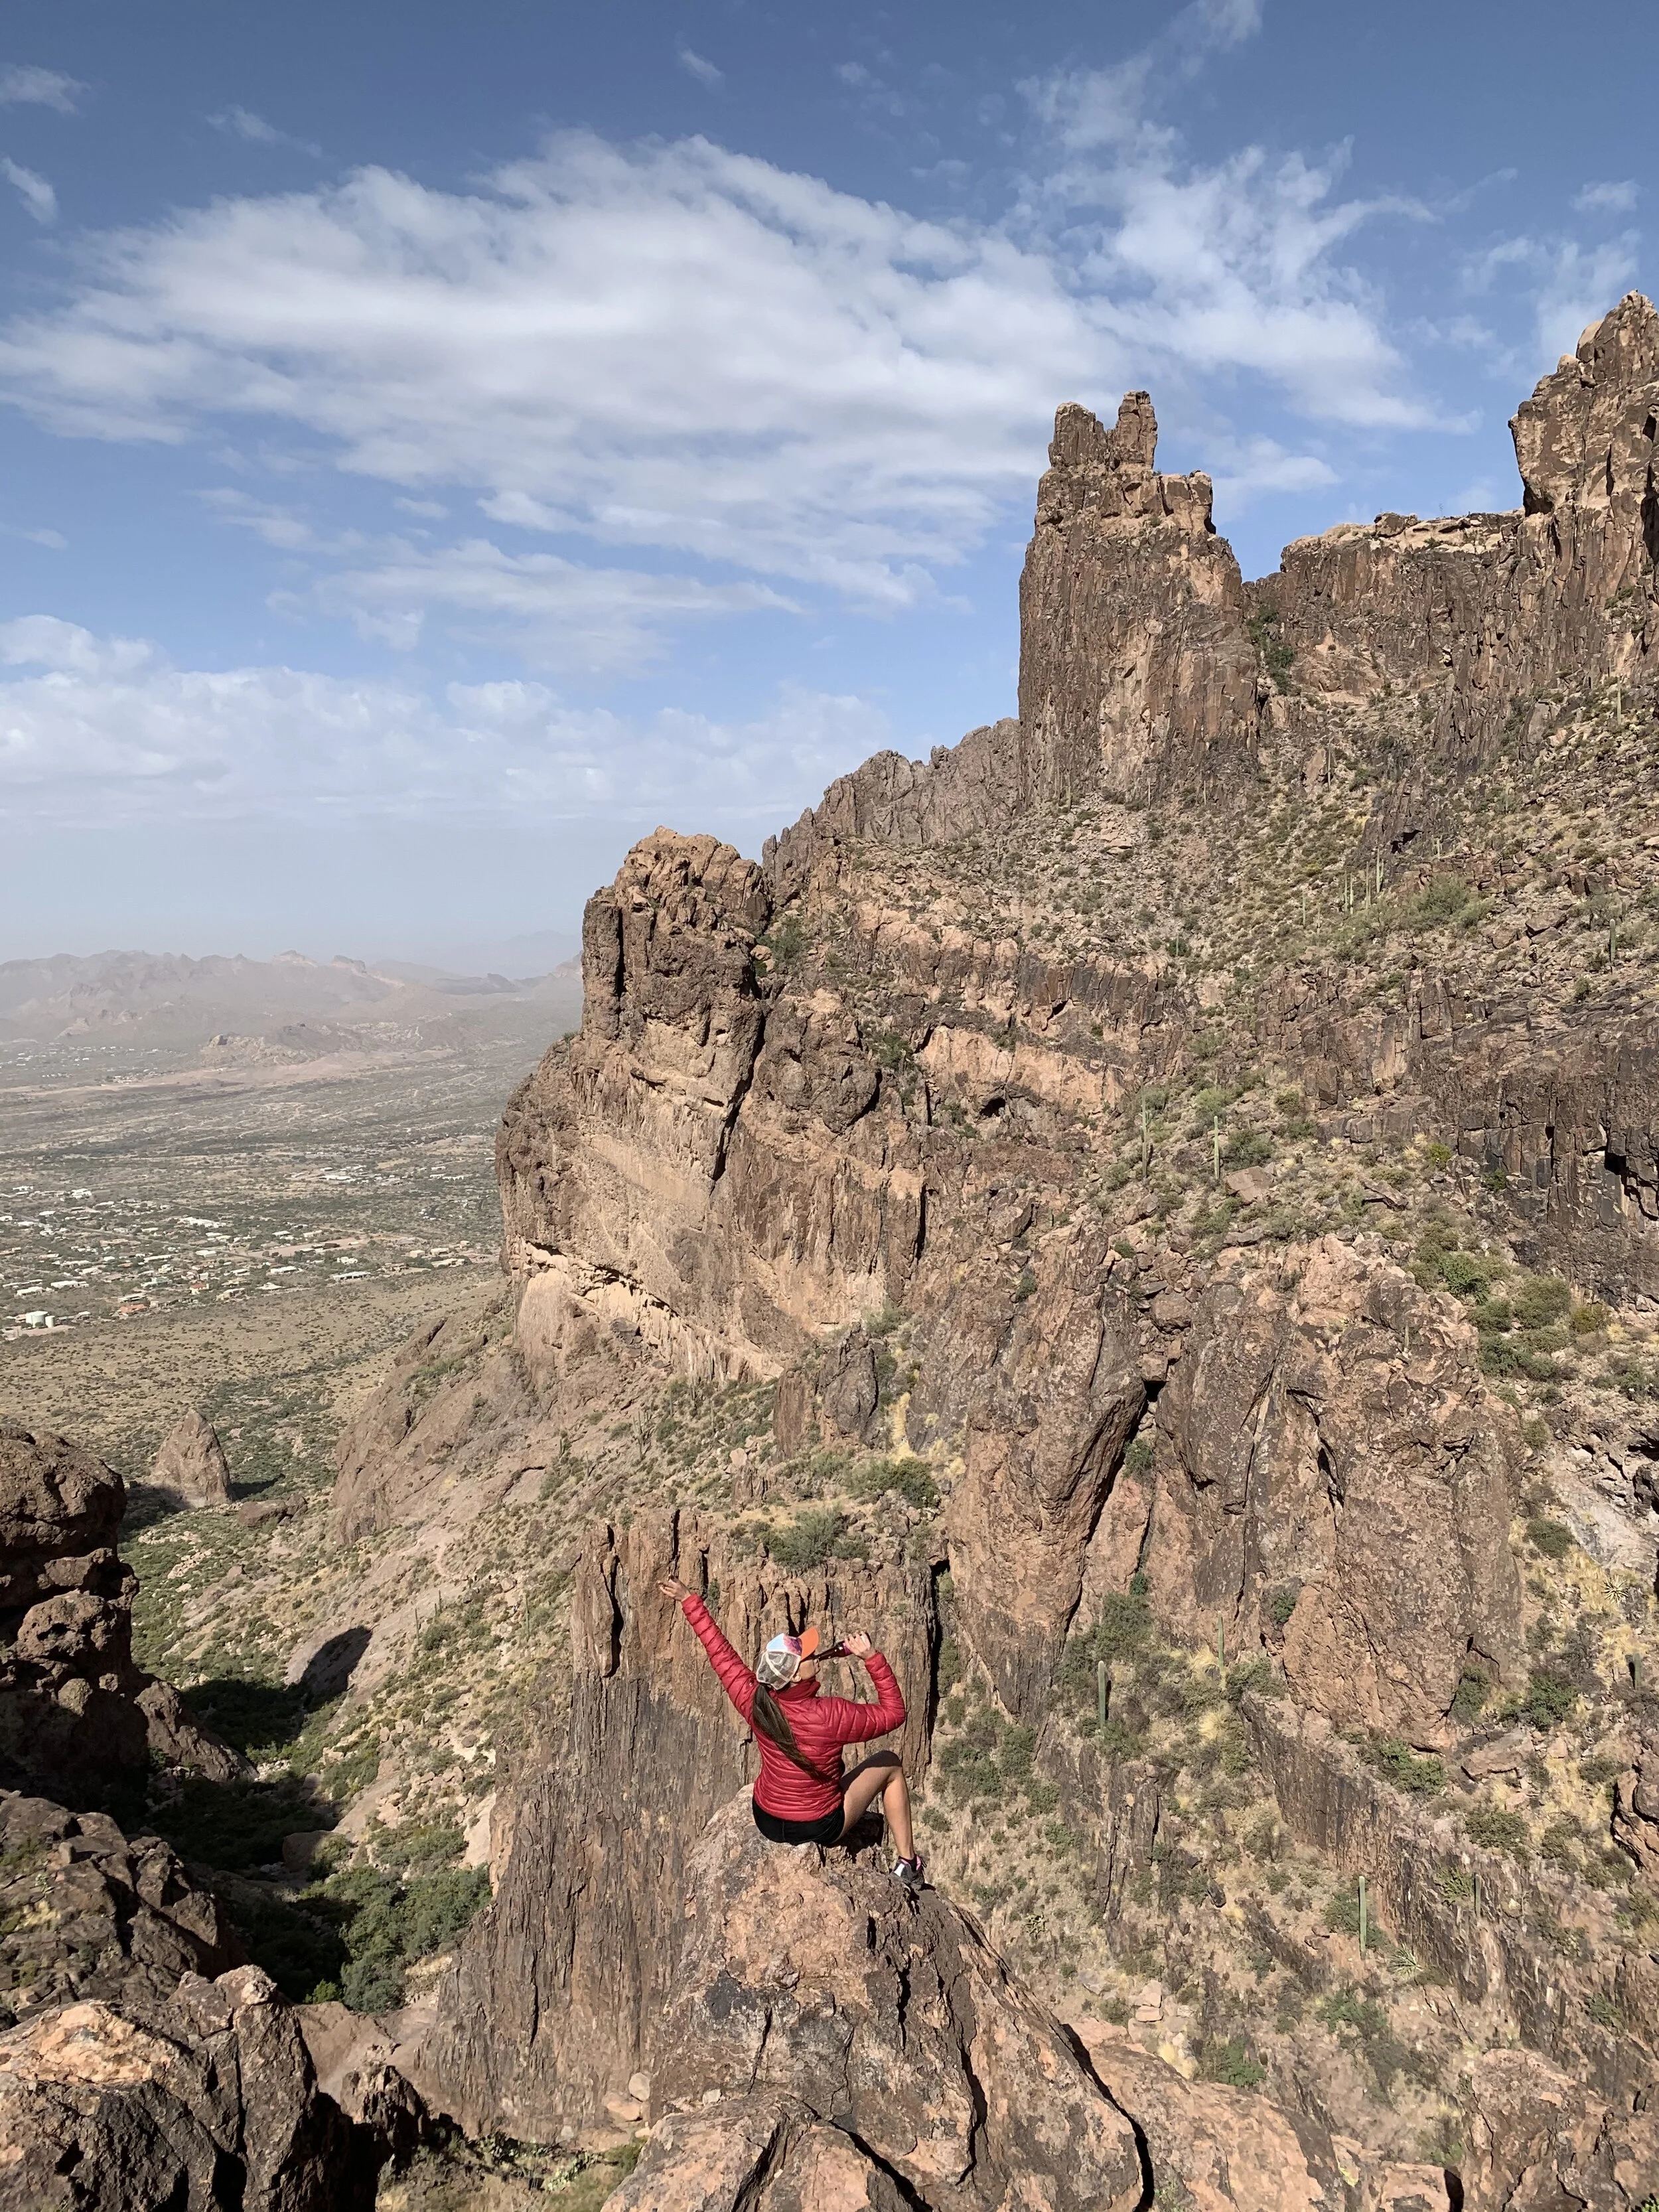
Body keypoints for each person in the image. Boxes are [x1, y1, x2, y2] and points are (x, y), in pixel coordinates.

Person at [658, 1575, 925, 1894]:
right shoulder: (829, 1715)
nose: (813, 1656)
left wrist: (690, 1600)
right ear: (796, 1675)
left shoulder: (754, 1700)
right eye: (806, 1655)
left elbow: (721, 1655)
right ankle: (909, 1864)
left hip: (766, 1819)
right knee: (891, 1763)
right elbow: (895, 1713)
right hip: (818, 1825)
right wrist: (872, 1659)